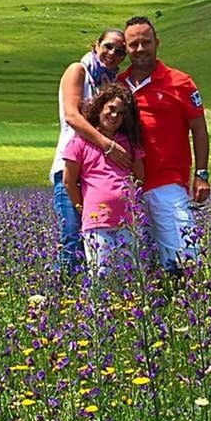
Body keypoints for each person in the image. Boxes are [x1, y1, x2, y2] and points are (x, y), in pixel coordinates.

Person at [118, 16, 210, 274]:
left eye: (145, 42)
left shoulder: (180, 82)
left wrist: (201, 174)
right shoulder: (118, 85)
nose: (140, 49)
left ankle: (188, 309)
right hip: (127, 187)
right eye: (133, 44)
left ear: (157, 43)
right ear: (125, 48)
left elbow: (200, 131)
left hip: (167, 183)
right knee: (138, 262)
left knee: (184, 256)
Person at [50, 29, 132, 275]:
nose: (113, 54)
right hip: (72, 168)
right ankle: (60, 297)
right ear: (96, 45)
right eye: (108, 46)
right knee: (73, 236)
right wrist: (108, 146)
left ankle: (88, 300)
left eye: (120, 51)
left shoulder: (111, 84)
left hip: (98, 173)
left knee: (95, 237)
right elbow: (73, 116)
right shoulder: (79, 71)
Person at [61, 84, 145, 278]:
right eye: (111, 109)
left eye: (121, 113)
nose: (115, 116)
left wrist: (132, 203)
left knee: (130, 276)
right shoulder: (79, 142)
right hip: (97, 221)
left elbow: (140, 178)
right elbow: (69, 181)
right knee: (102, 275)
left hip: (128, 220)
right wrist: (80, 207)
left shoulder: (130, 143)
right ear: (100, 108)